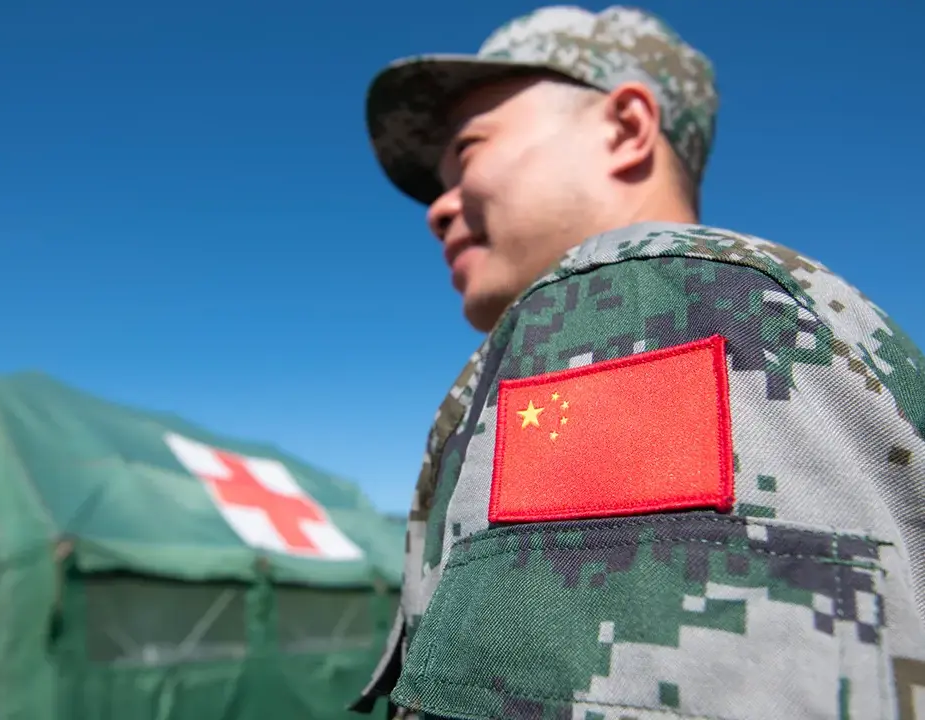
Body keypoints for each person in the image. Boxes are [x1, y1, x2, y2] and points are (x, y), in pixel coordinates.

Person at [350, 5, 925, 719]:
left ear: (624, 129)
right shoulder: (734, 302)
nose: (437, 208)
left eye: (467, 152)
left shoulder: (633, 300)